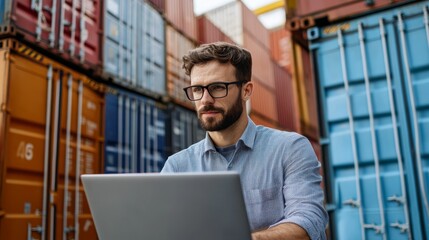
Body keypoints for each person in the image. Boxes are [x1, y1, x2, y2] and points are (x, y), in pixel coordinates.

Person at [161, 42, 328, 240]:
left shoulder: (290, 148)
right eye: (197, 89)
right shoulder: (177, 167)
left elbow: (309, 221)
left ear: (246, 91)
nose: (205, 100)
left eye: (217, 87)